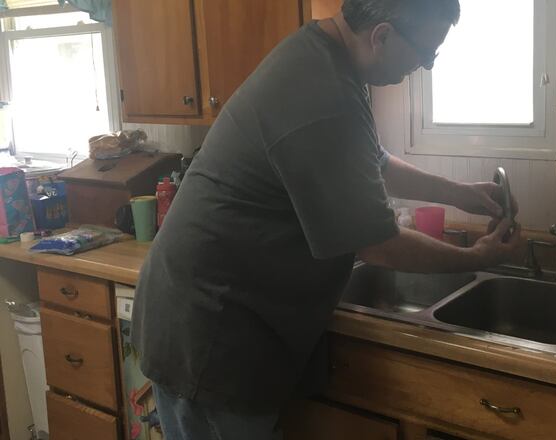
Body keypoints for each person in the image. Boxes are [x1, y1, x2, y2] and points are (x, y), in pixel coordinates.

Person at [132, 0, 523, 438]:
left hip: (211, 319)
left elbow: (373, 162)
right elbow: (379, 243)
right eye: (426, 54)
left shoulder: (326, 57)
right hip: (211, 337)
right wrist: (474, 257)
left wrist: (460, 194)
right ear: (382, 36)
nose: (425, 67)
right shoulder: (324, 92)